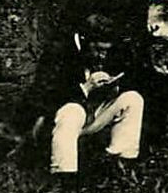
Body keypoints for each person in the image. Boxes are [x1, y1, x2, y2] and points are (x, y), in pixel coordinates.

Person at [34, 13, 145, 181]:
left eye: (106, 51)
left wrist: (113, 88)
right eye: (99, 49)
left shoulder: (109, 52)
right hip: (58, 122)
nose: (102, 56)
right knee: (73, 110)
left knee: (133, 99)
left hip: (93, 115)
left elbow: (132, 77)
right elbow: (45, 97)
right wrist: (85, 88)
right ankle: (64, 178)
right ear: (85, 41)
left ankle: (121, 166)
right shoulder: (58, 51)